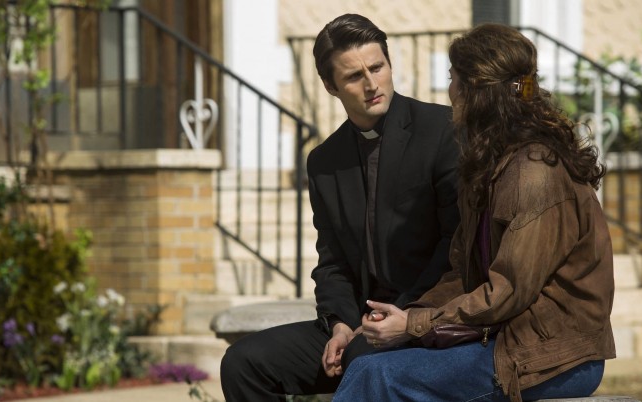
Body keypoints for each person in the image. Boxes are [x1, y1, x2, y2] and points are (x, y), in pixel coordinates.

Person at [331, 23, 616, 402]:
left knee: (375, 376)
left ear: (477, 93)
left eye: (454, 80)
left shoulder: (535, 172)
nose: (449, 91)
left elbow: (508, 291)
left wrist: (415, 325)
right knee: (365, 355)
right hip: (504, 339)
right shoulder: (492, 164)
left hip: (554, 357)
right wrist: (407, 314)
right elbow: (462, 275)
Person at [220, 14, 460, 401]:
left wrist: (401, 313)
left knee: (362, 360)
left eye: (377, 68)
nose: (371, 84)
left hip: (423, 316)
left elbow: (455, 244)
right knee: (243, 362)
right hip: (358, 324)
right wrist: (340, 325)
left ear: (389, 65)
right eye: (354, 76)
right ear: (331, 86)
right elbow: (331, 261)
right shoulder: (324, 161)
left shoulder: (442, 130)